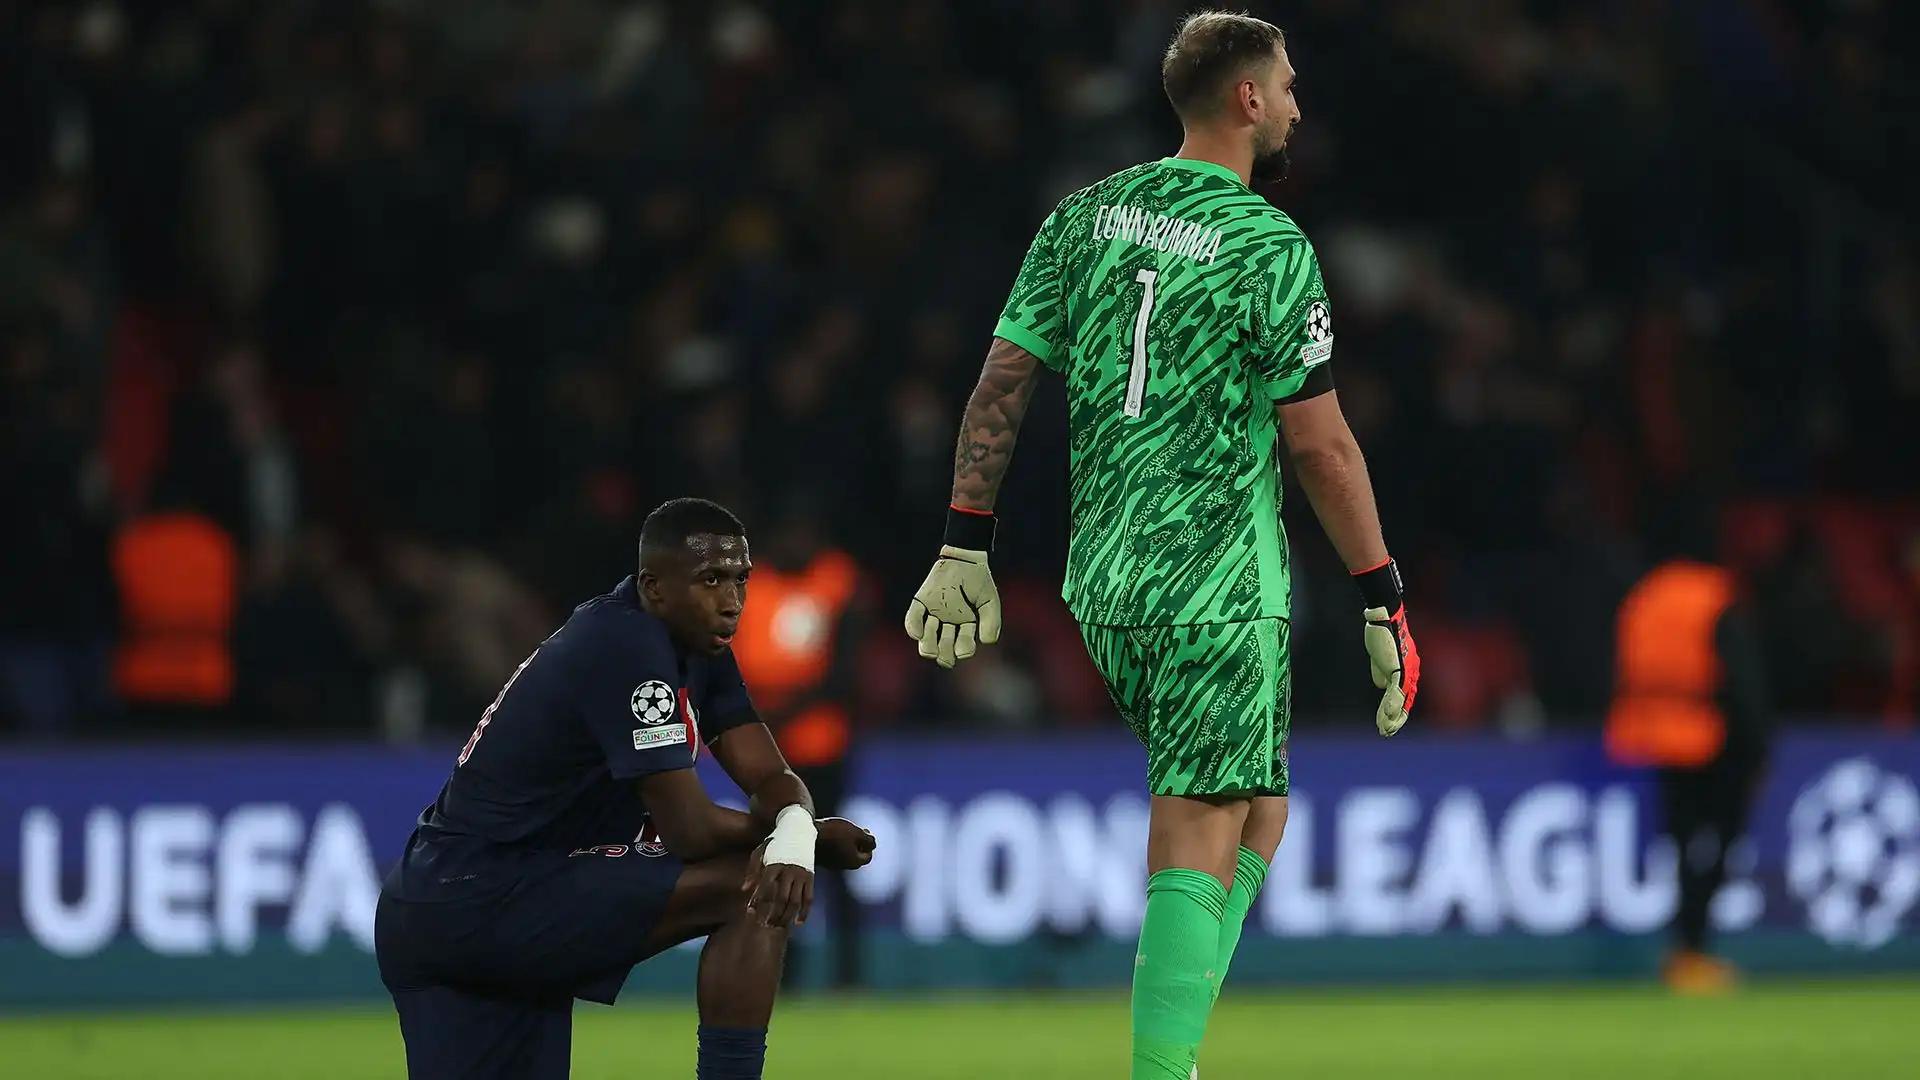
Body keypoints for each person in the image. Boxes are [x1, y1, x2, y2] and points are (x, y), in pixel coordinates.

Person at [902, 12, 1420, 1080]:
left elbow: (1002, 384)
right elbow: (1320, 446)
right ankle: (1160, 1070)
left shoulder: (1083, 217)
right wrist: (1382, 593)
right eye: (1284, 87)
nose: (1294, 107)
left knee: (1260, 808)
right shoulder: (1271, 247)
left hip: (1106, 578)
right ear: (1243, 101)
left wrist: (965, 544)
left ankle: (1172, 1052)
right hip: (1215, 578)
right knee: (1202, 814)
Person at [375, 497, 876, 1080]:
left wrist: (793, 827)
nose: (732, 601)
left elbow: (769, 776)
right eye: (711, 580)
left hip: (452, 904)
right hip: (483, 897)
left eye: (740, 580)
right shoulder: (628, 647)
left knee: (759, 867)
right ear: (654, 586)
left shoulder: (693, 644)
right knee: (748, 887)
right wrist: (805, 841)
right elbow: (691, 830)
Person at [1605, 503, 1774, 994]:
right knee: (1718, 844)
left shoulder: (1645, 596)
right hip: (1710, 736)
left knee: (1682, 847)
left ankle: (1685, 951)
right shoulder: (1713, 596)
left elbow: (1619, 666)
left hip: (1656, 733)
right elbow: (1742, 679)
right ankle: (1693, 950)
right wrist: (1758, 744)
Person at [727, 508, 869, 990]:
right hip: (763, 760)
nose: (797, 540)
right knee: (770, 862)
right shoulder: (752, 588)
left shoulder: (836, 581)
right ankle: (782, 974)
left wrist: (777, 715)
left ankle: (849, 973)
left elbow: (845, 673)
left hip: (819, 749)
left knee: (830, 858)